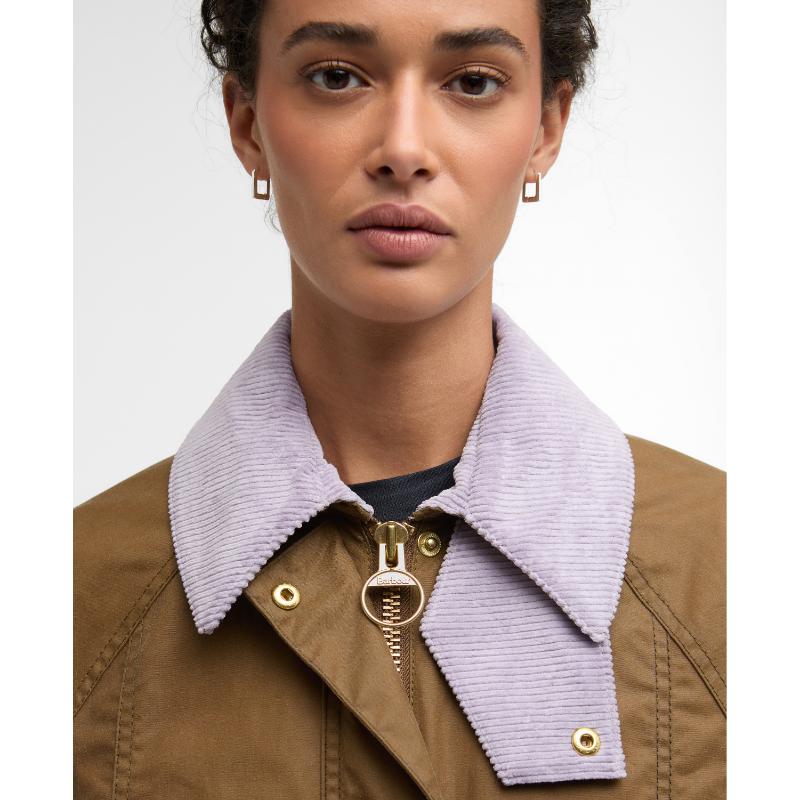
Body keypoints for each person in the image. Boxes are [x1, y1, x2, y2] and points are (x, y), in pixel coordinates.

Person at [74, 1, 725, 798]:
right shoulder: (70, 600)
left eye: (474, 82)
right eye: (336, 77)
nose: (404, 150)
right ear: (248, 123)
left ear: (546, 129)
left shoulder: (734, 572)